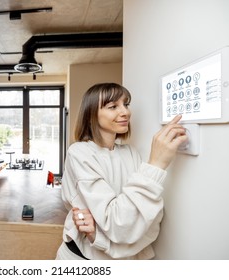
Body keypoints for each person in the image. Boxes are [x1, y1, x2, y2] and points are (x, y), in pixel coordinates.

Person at [56, 83, 188, 260]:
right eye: (112, 107)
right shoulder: (79, 152)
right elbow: (120, 224)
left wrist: (100, 237)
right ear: (90, 115)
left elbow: (150, 222)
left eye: (126, 104)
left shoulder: (131, 153)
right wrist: (156, 163)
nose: (125, 112)